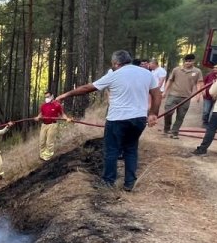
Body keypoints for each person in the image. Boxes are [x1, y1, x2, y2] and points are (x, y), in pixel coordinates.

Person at [57, 50, 160, 192]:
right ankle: (130, 183)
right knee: (131, 149)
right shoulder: (146, 73)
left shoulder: (113, 75)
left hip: (117, 119)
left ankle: (108, 182)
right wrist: (153, 113)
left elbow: (87, 88)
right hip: (139, 119)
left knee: (111, 150)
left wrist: (65, 95)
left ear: (116, 63)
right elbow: (157, 94)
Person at [162, 54, 202, 139]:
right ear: (184, 61)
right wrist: (165, 91)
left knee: (180, 116)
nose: (188, 63)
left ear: (193, 61)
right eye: (186, 61)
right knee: (168, 112)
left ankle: (174, 132)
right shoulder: (176, 70)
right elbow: (170, 80)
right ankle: (167, 128)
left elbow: (199, 83)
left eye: (190, 61)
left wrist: (198, 94)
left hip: (186, 97)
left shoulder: (197, 71)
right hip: (173, 95)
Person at [35, 91, 68, 161]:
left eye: (48, 97)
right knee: (41, 141)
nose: (46, 98)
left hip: (52, 125)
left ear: (52, 96)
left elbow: (62, 114)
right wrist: (38, 117)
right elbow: (41, 114)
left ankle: (47, 158)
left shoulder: (57, 105)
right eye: (45, 97)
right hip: (44, 125)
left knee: (49, 142)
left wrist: (66, 118)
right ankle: (42, 156)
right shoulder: (43, 105)